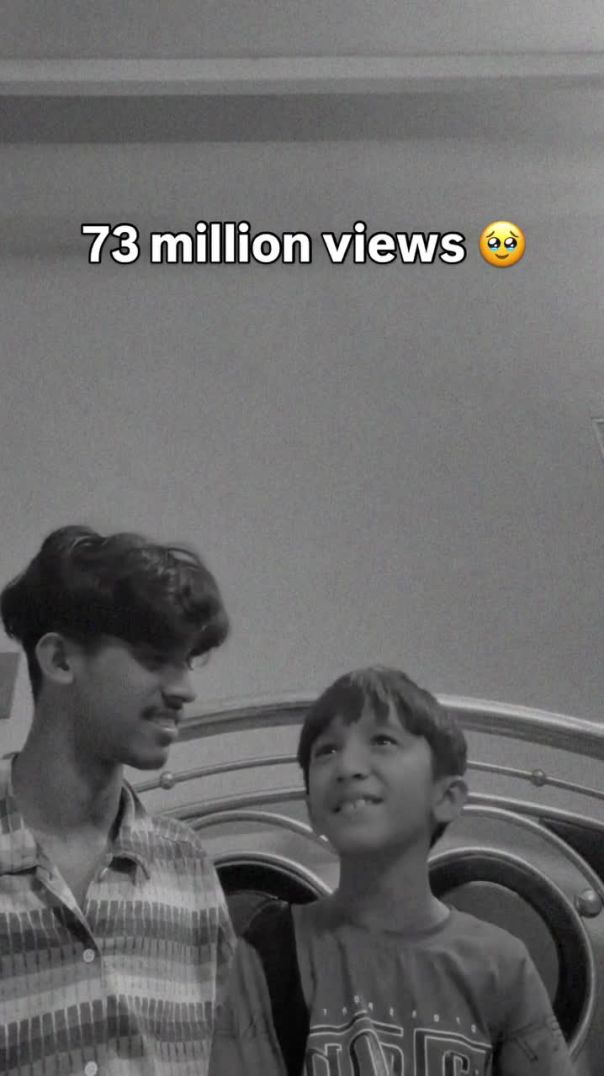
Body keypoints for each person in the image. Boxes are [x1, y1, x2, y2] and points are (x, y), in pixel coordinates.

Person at [210, 665, 576, 1076]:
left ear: (446, 797)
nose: (348, 766)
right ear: (312, 810)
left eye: (382, 741)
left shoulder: (500, 964)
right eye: (326, 750)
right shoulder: (270, 949)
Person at [0, 524, 235, 1076]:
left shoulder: (186, 867)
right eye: (154, 657)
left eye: (187, 661)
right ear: (60, 660)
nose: (185, 690)